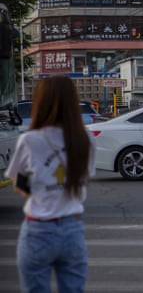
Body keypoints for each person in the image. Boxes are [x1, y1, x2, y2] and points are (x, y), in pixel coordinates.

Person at [6, 75, 96, 293]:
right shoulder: (85, 139)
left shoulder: (30, 140)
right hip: (73, 229)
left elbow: (18, 182)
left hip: (38, 230)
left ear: (41, 101)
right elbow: (85, 178)